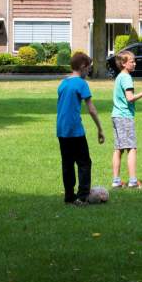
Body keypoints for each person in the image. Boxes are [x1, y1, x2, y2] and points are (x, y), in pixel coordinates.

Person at [56, 52, 105, 206]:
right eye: (88, 68)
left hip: (61, 129)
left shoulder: (63, 83)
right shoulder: (81, 84)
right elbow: (91, 109)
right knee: (84, 163)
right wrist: (100, 129)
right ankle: (82, 196)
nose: (89, 71)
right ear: (83, 67)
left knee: (67, 163)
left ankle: (69, 196)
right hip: (75, 129)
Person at [111, 50, 142, 189]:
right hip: (124, 116)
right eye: (132, 61)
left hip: (116, 115)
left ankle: (116, 181)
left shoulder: (118, 77)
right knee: (131, 148)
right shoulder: (127, 77)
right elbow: (130, 98)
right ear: (123, 63)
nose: (134, 64)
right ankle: (133, 181)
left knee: (118, 149)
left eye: (134, 61)